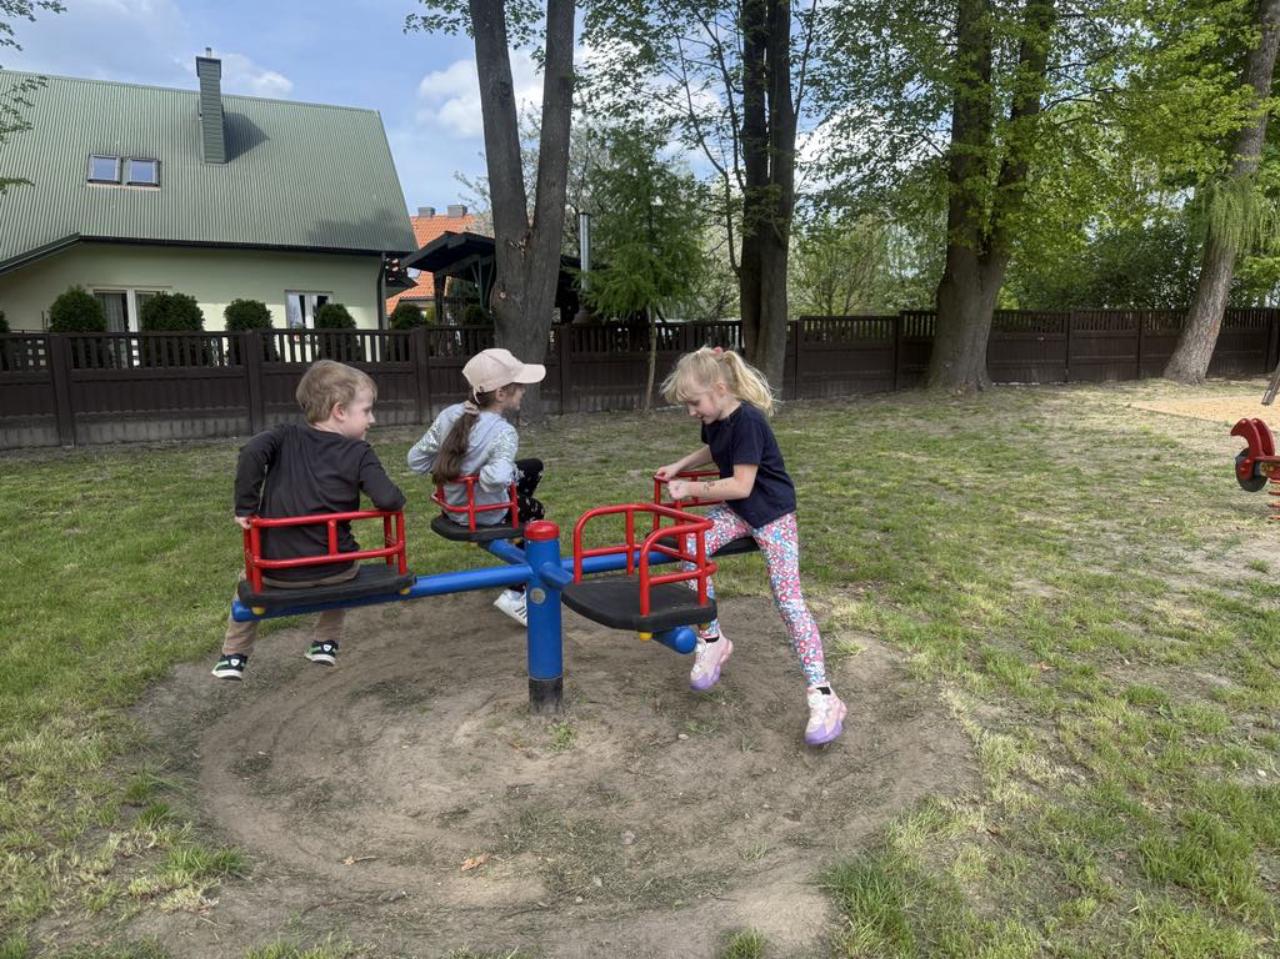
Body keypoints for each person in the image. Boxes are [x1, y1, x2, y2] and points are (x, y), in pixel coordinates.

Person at [656, 346, 846, 746]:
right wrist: (680, 465)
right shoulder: (715, 418)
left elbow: (742, 484)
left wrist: (690, 488)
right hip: (738, 512)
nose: (690, 412)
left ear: (720, 389)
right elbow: (715, 449)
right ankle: (712, 639)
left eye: (694, 403)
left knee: (788, 601)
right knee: (690, 546)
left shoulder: (749, 422)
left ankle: (824, 695)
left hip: (773, 515)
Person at [211, 360, 406, 681]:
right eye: (367, 410)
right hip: (337, 572)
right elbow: (388, 499)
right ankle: (326, 642)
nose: (372, 419)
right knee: (342, 558)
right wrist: (398, 497)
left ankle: (233, 656)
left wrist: (246, 508)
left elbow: (251, 452)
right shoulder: (359, 452)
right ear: (339, 411)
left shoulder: (282, 437)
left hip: (277, 572)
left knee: (246, 582)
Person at [407, 347, 546, 626]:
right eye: (519, 385)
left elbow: (416, 460)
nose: (524, 391)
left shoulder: (449, 415)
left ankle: (514, 542)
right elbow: (495, 479)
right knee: (536, 512)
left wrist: (456, 469)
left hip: (454, 505)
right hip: (483, 511)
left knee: (534, 467)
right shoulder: (503, 432)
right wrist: (495, 472)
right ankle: (518, 590)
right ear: (501, 394)